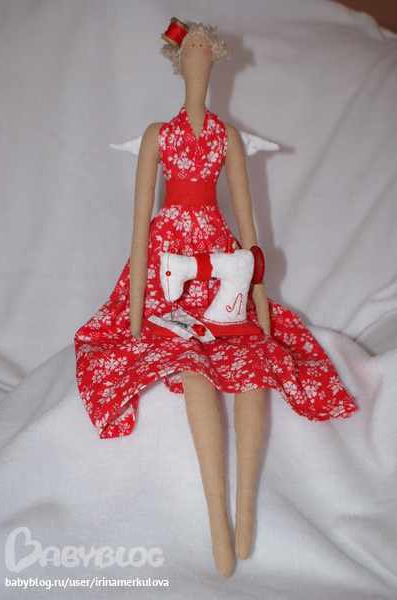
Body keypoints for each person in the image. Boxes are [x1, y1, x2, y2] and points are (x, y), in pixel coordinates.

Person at [75, 20, 357, 578]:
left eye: (206, 53)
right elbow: (139, 227)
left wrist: (261, 304)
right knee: (192, 364)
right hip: (167, 266)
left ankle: (244, 510)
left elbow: (248, 228)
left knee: (251, 365)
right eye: (192, 53)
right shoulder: (158, 135)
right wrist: (136, 312)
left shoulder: (226, 138)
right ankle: (216, 522)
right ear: (180, 62)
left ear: (215, 61)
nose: (199, 62)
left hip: (217, 258)